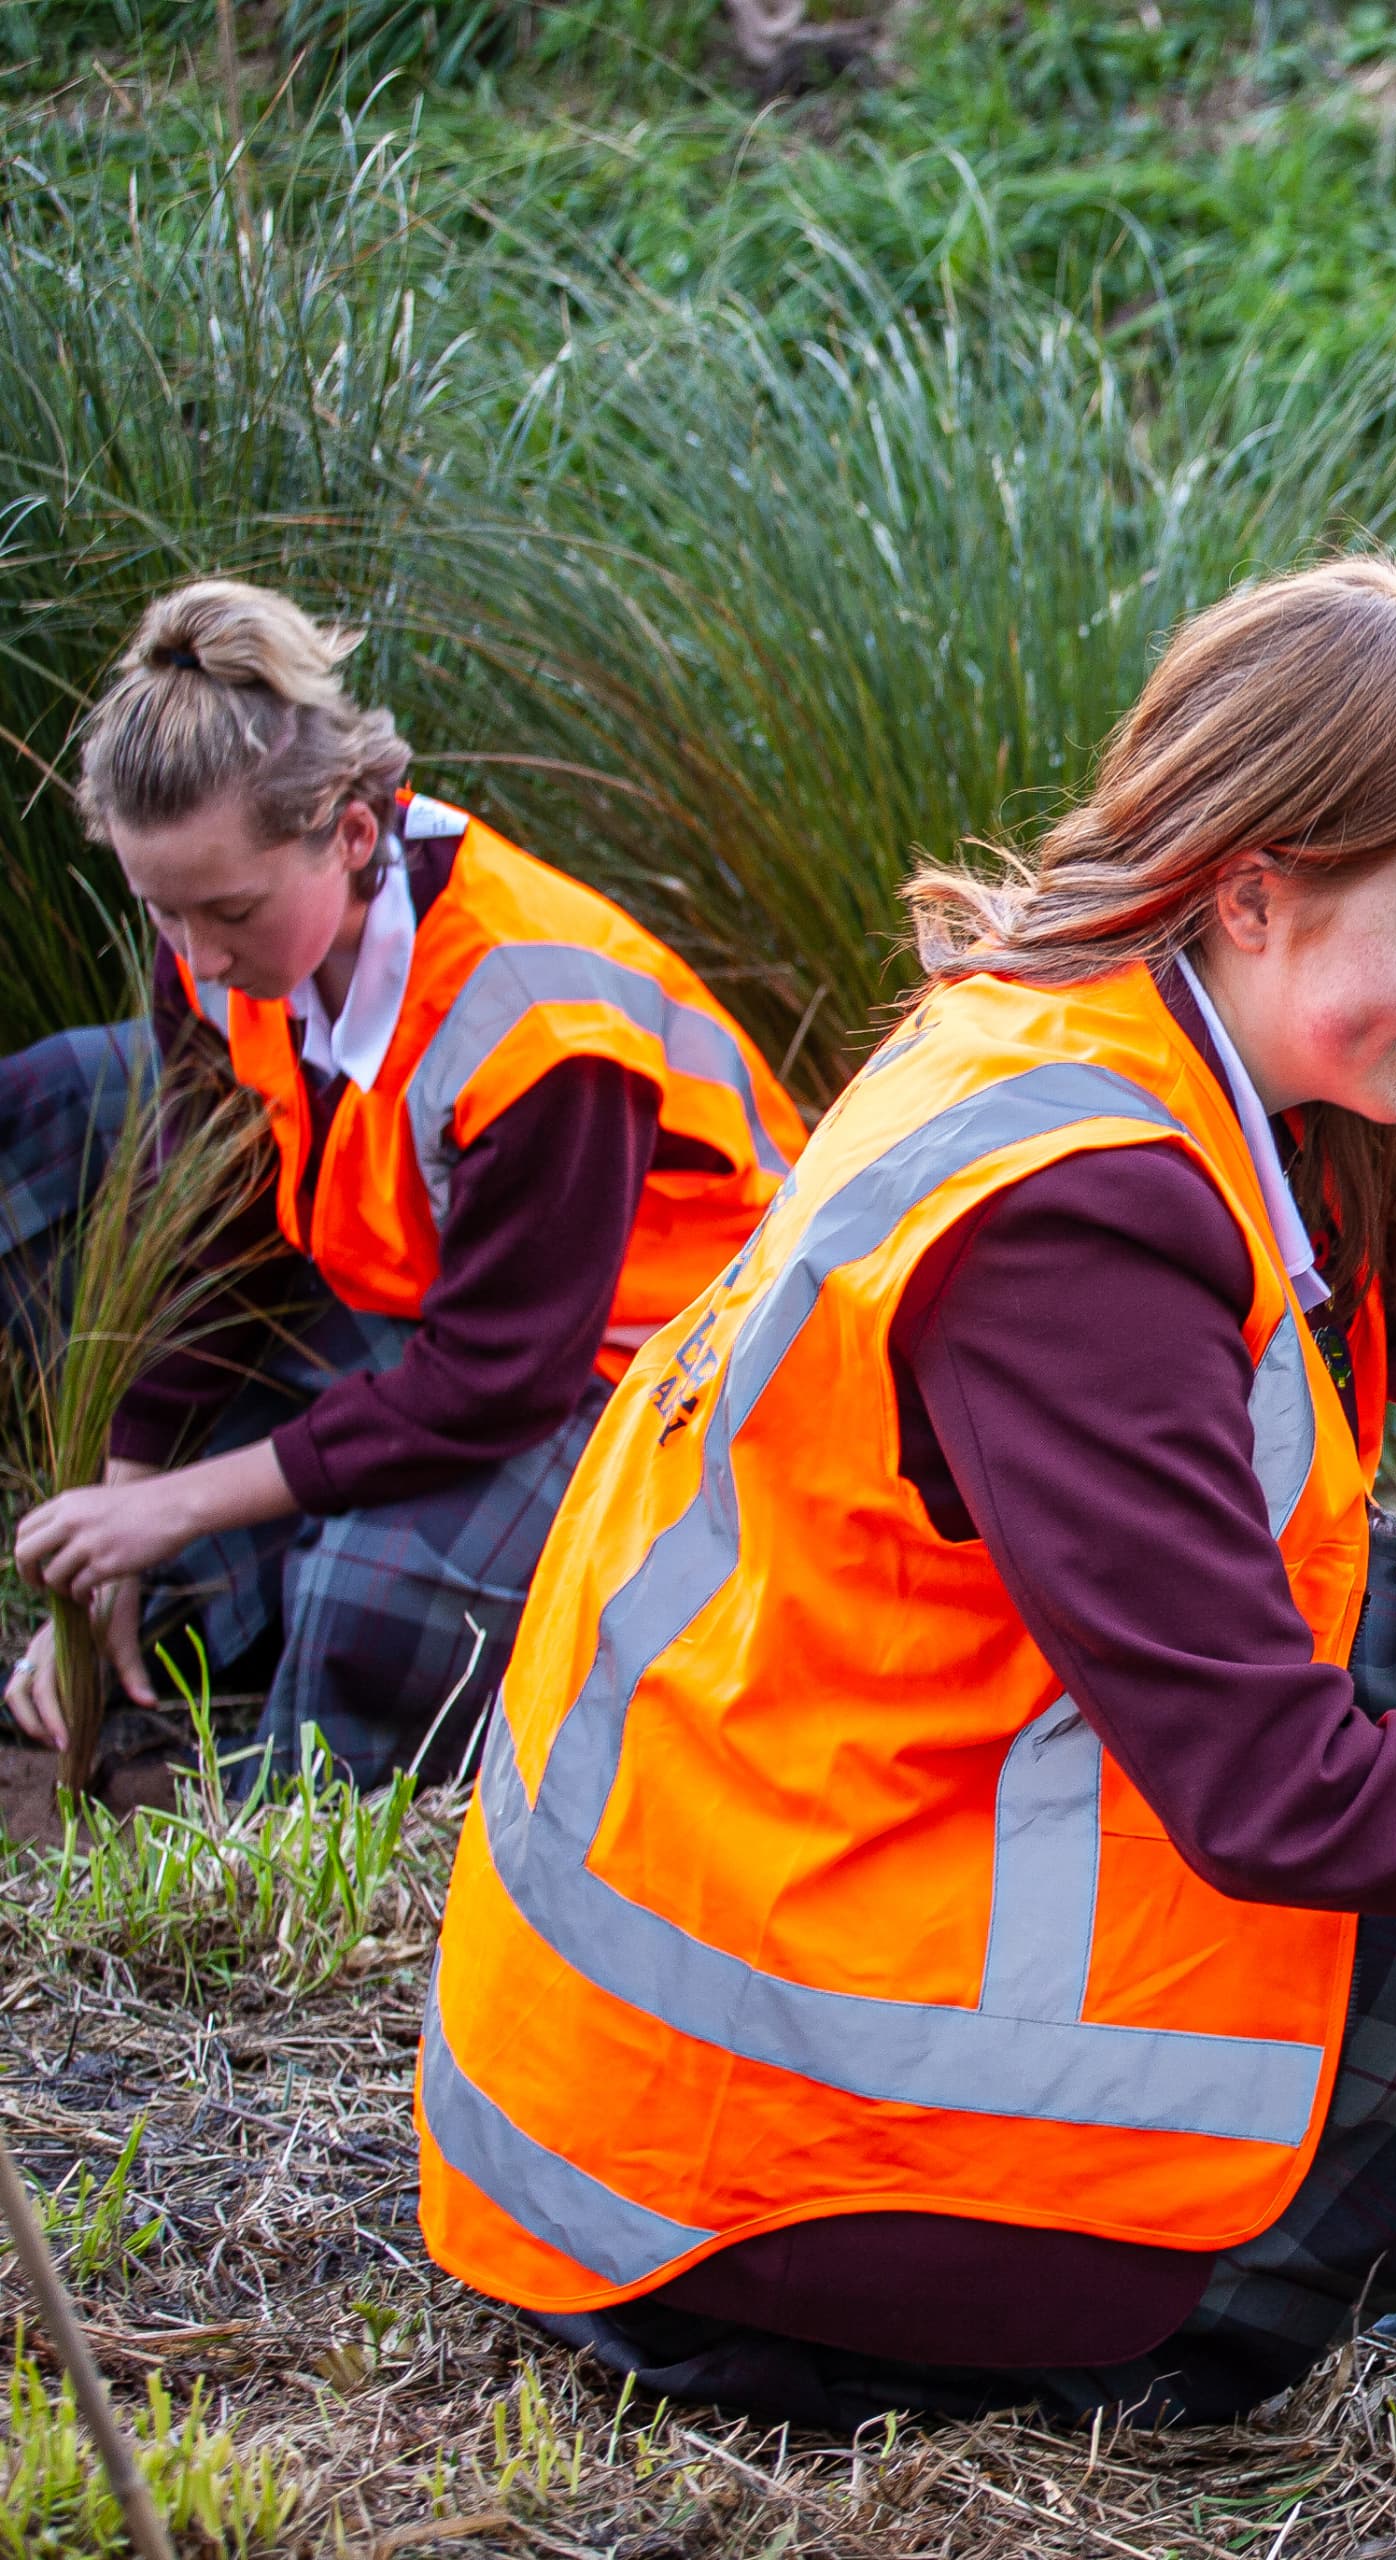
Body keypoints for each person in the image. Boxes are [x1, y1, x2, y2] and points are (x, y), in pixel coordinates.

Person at [417, 559, 1396, 2433]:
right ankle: (1049, 2281)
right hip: (746, 2162)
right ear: (1256, 884)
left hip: (710, 2003)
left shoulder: (1108, 1035)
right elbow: (1269, 1793)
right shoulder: (1078, 1216)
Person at [6, 581, 805, 1784]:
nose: (199, 959)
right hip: (418, 1296)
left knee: (369, 1604)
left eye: (228, 911)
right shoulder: (215, 946)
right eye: (160, 912)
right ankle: (173, 1618)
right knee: (52, 1103)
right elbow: (208, 1224)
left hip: (654, 1378)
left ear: (352, 834)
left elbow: (495, 1378)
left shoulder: (540, 1024)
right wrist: (125, 1501)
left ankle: (280, 1782)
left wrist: (179, 1507)